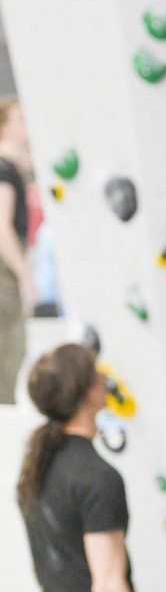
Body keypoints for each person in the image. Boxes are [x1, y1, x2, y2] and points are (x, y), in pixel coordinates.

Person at [17, 344, 147, 592]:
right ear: (88, 392)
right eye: (96, 372)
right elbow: (108, 587)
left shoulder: (35, 469)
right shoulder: (97, 477)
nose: (104, 377)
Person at [0, 96, 37, 403]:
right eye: (20, 120)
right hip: (5, 273)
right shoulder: (3, 169)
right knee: (8, 352)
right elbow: (2, 228)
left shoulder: (12, 167)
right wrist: (25, 276)